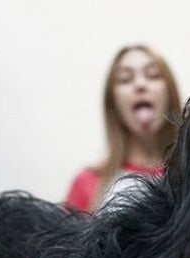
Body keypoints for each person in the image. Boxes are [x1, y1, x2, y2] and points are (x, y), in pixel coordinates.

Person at [66, 45, 182, 211]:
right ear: (113, 104)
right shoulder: (88, 182)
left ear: (170, 94)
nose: (140, 85)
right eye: (125, 79)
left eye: (153, 75)